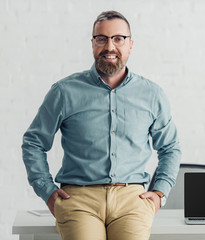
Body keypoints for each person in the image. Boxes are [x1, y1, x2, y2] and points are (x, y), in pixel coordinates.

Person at [22, 10, 181, 240]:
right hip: (79, 199)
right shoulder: (64, 92)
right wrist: (47, 192)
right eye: (101, 39)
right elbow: (34, 142)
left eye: (118, 38)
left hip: (132, 200)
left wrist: (159, 193)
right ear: (93, 43)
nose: (110, 46)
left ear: (130, 44)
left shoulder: (152, 94)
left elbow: (170, 147)